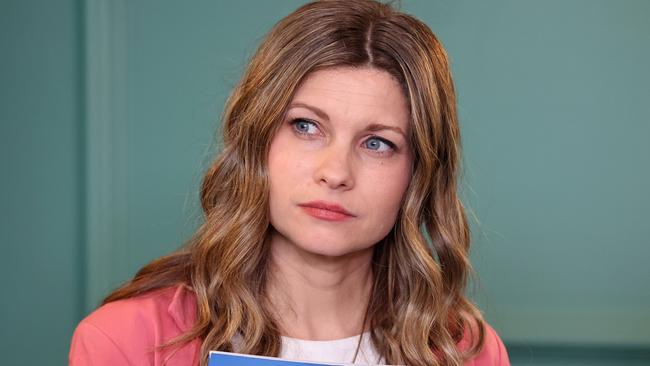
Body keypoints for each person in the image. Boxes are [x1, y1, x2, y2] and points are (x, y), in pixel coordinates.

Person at [69, 0, 510, 365]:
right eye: (305, 127)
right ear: (256, 139)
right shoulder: (125, 341)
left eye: (377, 143)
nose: (335, 173)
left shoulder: (468, 351)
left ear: (418, 174)